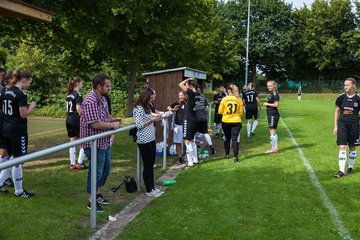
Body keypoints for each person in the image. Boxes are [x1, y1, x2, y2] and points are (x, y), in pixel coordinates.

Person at [80, 74, 121, 212]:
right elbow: (95, 124)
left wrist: (113, 119)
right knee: (96, 172)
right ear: (99, 86)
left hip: (104, 141)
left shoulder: (102, 98)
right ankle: (91, 201)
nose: (109, 88)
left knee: (105, 170)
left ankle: (96, 194)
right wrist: (112, 126)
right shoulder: (91, 100)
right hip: (93, 143)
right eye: (107, 86)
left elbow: (104, 115)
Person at [0, 70, 36, 197]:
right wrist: (31, 106)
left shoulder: (7, 91)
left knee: (10, 159)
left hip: (6, 129)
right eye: (29, 82)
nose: (29, 85)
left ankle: (0, 183)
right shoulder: (20, 94)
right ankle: (19, 191)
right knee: (18, 160)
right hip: (17, 131)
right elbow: (23, 114)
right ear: (24, 80)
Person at [133, 88, 164, 197]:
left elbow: (152, 116)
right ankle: (149, 190)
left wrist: (157, 117)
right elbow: (139, 125)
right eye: (152, 95)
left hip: (151, 138)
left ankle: (153, 188)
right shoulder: (139, 108)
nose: (154, 96)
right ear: (148, 96)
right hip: (144, 140)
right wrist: (152, 120)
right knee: (147, 165)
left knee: (151, 164)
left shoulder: (147, 107)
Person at [333, 78, 360, 178]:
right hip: (342, 124)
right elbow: (336, 112)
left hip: (354, 125)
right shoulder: (340, 97)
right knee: (342, 146)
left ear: (354, 85)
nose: (345, 87)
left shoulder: (358, 98)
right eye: (344, 85)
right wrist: (335, 126)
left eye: (348, 85)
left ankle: (350, 166)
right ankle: (341, 170)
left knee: (352, 147)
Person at [218, 84, 243, 162]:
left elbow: (220, 111)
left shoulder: (224, 99)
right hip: (236, 121)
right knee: (235, 139)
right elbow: (241, 112)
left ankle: (227, 154)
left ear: (229, 91)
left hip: (226, 121)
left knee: (227, 138)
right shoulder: (239, 99)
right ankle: (235, 157)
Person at [179, 78, 200, 168]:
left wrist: (188, 79)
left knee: (186, 140)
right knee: (192, 140)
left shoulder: (191, 93)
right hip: (194, 119)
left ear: (191, 86)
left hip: (188, 120)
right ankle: (195, 159)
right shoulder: (198, 94)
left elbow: (180, 84)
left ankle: (190, 162)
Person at [65, 77, 86, 170]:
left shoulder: (69, 95)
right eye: (81, 83)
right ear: (77, 83)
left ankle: (72, 164)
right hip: (76, 120)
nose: (82, 84)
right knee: (84, 141)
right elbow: (78, 109)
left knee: (72, 142)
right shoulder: (78, 95)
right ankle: (80, 163)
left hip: (68, 119)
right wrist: (84, 117)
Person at [0, 71, 14, 192]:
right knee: (6, 153)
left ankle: (6, 178)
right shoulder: (4, 91)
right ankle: (3, 179)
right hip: (4, 124)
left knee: (4, 152)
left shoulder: (5, 90)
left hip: (5, 124)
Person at [167, 91, 187, 164]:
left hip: (186, 125)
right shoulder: (177, 103)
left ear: (185, 96)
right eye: (179, 95)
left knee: (187, 141)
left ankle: (189, 156)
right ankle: (180, 157)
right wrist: (172, 110)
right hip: (178, 125)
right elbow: (168, 107)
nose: (180, 97)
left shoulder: (188, 103)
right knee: (178, 142)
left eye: (181, 95)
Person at [195, 86, 216, 155]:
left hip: (196, 118)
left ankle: (195, 147)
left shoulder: (193, 97)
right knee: (205, 132)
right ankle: (211, 145)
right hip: (204, 117)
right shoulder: (204, 97)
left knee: (194, 132)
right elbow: (207, 108)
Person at [263, 80, 280, 153]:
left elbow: (276, 105)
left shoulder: (275, 93)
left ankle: (273, 148)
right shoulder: (271, 93)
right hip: (270, 114)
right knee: (271, 130)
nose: (268, 87)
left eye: (270, 86)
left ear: (274, 86)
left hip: (273, 114)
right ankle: (274, 148)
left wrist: (267, 104)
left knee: (272, 131)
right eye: (268, 86)